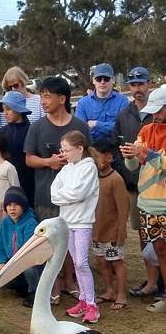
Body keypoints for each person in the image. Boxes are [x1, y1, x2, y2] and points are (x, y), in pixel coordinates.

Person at [24, 76, 90, 302]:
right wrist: (48, 162)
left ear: (62, 99)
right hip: (45, 194)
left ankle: (71, 281)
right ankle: (54, 283)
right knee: (50, 241)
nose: (42, 100)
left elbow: (89, 159)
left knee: (71, 240)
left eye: (47, 96)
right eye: (41, 95)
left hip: (74, 199)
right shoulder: (37, 127)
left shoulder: (79, 126)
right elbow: (29, 159)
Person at [111, 66, 159, 296]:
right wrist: (126, 172)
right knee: (143, 234)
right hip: (134, 185)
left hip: (160, 186)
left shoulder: (158, 111)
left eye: (141, 84)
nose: (137, 89)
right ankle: (151, 281)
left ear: (149, 84)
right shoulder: (123, 114)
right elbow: (116, 147)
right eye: (133, 84)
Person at [121, 86, 166, 313]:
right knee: (157, 249)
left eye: (159, 111)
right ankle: (161, 291)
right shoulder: (146, 129)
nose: (155, 115)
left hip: (164, 203)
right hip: (146, 202)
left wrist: (145, 154)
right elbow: (134, 165)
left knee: (163, 249)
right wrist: (129, 156)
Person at [51, 131, 100, 323]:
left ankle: (92, 305)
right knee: (75, 262)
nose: (64, 154)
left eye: (67, 150)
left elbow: (78, 193)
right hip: (67, 222)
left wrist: (64, 196)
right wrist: (65, 196)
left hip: (82, 223)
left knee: (81, 262)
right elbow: (53, 192)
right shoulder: (66, 169)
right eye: (62, 150)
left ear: (79, 149)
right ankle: (83, 300)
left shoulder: (89, 168)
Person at [92, 142, 130, 310]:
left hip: (112, 231)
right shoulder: (93, 178)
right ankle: (109, 290)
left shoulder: (116, 180)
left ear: (109, 158)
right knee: (101, 261)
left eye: (99, 156)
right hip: (97, 230)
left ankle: (121, 294)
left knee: (116, 262)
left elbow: (123, 209)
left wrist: (120, 233)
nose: (96, 160)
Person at [0, 186, 40, 307]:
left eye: (16, 204)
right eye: (9, 205)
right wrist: (0, 262)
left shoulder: (31, 223)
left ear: (23, 206)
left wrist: (13, 265)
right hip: (13, 261)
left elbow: (27, 250)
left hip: (27, 261)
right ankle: (22, 286)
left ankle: (34, 292)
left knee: (29, 269)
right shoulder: (5, 222)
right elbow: (0, 246)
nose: (12, 208)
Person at [0, 91, 34, 207]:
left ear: (19, 110)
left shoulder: (31, 130)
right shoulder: (2, 132)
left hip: (28, 180)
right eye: (3, 110)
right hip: (6, 181)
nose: (5, 113)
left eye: (8, 109)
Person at [75, 63, 129, 144]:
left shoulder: (122, 101)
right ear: (93, 80)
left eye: (106, 79)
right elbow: (80, 130)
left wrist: (97, 124)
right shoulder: (83, 103)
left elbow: (123, 127)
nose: (102, 82)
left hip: (116, 147)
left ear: (113, 80)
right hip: (92, 149)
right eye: (99, 79)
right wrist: (110, 127)